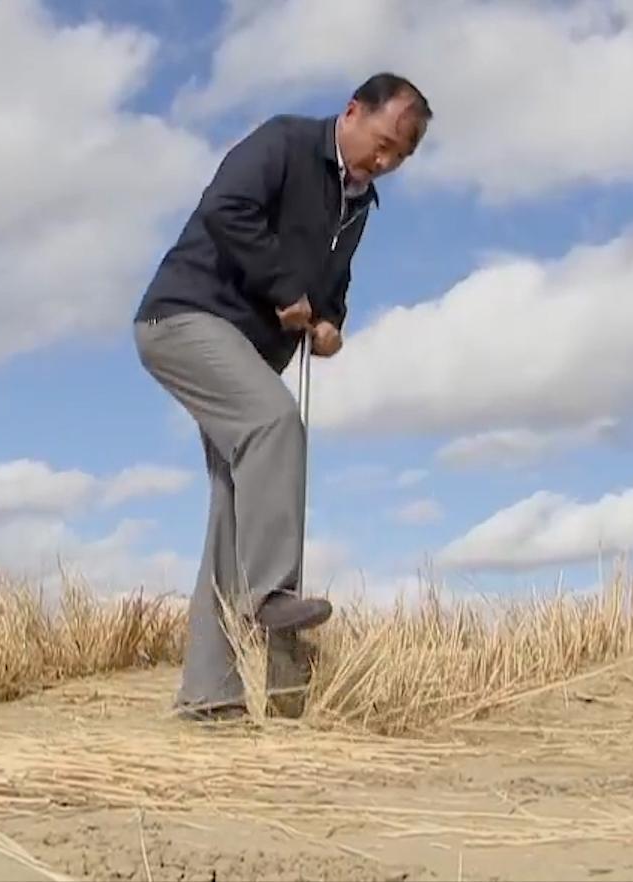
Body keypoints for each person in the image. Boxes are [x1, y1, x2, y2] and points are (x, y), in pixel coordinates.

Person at [131, 72, 431, 720]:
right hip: (183, 320)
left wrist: (329, 323)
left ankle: (210, 699)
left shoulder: (357, 204)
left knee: (234, 516)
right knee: (275, 424)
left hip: (248, 352)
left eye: (397, 158)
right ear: (352, 111)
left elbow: (333, 283)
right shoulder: (285, 144)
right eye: (380, 144)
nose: (382, 163)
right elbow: (225, 209)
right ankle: (270, 596)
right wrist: (281, 290)